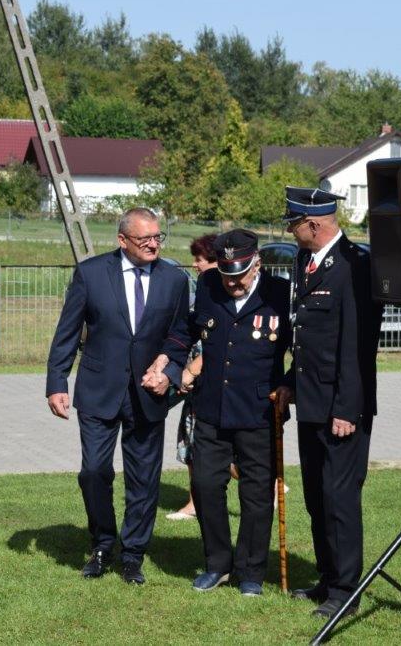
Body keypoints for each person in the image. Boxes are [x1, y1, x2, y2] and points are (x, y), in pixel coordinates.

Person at [45, 207, 190, 584]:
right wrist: (57, 381)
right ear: (122, 240)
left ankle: (133, 554)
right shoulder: (91, 274)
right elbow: (68, 330)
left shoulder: (174, 279)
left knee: (144, 478)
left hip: (147, 393)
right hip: (99, 390)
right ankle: (102, 544)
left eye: (158, 237)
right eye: (145, 239)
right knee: (94, 471)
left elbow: (181, 335)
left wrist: (169, 371)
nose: (154, 245)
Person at [161, 229, 292, 596]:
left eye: (240, 275)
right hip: (211, 407)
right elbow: (188, 330)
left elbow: (303, 348)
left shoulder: (280, 293)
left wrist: (290, 383)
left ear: (257, 264)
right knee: (205, 485)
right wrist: (173, 363)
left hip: (259, 410)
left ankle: (251, 571)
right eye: (226, 275)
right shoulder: (208, 286)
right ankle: (217, 564)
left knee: (256, 494)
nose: (233, 283)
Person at [273, 186, 382, 619]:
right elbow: (306, 336)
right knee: (317, 496)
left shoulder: (355, 266)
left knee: (339, 499)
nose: (291, 231)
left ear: (314, 224)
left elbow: (357, 346)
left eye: (294, 224)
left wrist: (347, 409)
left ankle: (345, 590)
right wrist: (289, 382)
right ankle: (327, 576)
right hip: (311, 399)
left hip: (341, 408)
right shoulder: (305, 261)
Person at [166, 233, 217, 522]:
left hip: (210, 383)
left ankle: (268, 485)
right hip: (194, 385)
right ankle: (194, 503)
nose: (195, 265)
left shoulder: (221, 294)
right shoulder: (204, 292)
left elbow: (220, 341)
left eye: (200, 259)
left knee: (208, 445)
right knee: (189, 440)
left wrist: (192, 370)